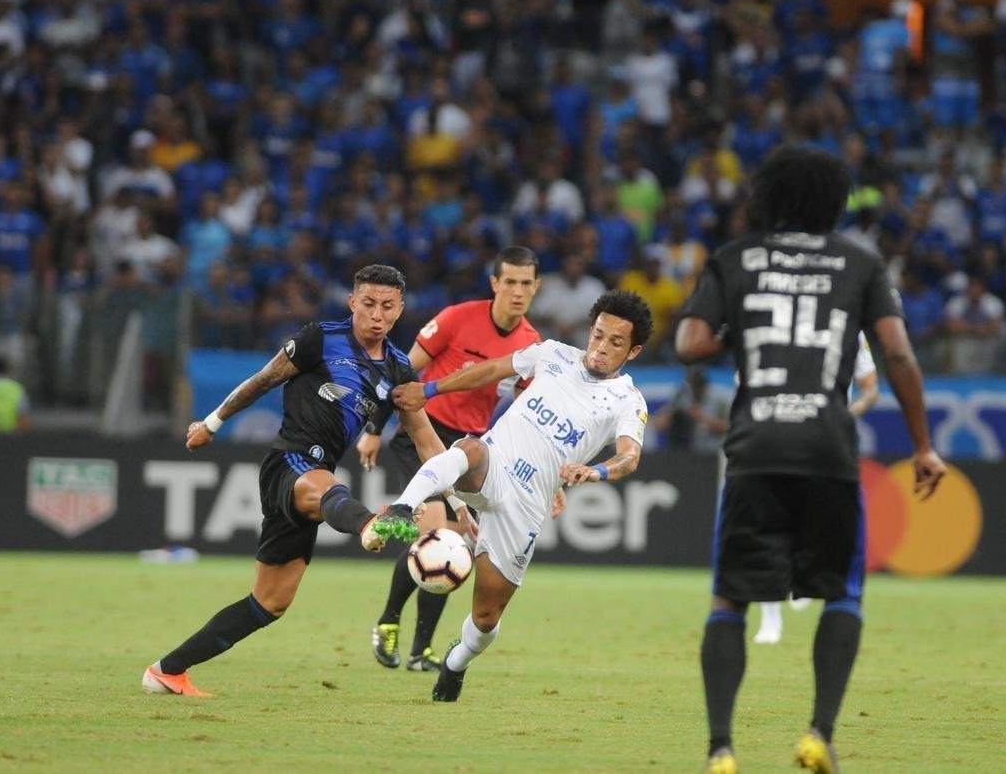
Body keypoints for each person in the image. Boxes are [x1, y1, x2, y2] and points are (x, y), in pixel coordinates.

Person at [675, 146, 947, 774]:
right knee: (842, 595)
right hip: (828, 449)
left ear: (765, 199)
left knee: (728, 602)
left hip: (754, 449)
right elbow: (899, 356)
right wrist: (923, 446)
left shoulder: (735, 259)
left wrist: (740, 326)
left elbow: (691, 345)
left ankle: (721, 748)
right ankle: (819, 734)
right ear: (833, 202)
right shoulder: (859, 262)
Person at [142, 264, 446, 697]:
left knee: (270, 603)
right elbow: (263, 380)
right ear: (352, 303)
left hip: (319, 484)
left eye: (387, 307)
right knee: (326, 485)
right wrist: (212, 422)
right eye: (368, 304)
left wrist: (458, 501)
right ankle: (367, 524)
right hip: (289, 463)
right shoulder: (319, 338)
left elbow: (427, 444)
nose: (376, 315)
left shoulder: (399, 370)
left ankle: (167, 671)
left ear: (400, 311)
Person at [387, 290, 653, 703]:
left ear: (632, 351)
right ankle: (403, 508)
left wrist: (596, 471)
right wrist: (431, 389)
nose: (601, 347)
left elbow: (629, 457)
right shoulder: (553, 354)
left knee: (486, 617)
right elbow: (491, 370)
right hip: (493, 464)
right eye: (598, 334)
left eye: (615, 342)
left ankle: (457, 663)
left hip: (525, 506)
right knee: (468, 449)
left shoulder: (627, 401)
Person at [358, 246, 543, 673]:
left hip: (466, 450)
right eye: (509, 282)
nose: (517, 291)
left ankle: (421, 651)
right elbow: (402, 372)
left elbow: (524, 412)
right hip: (421, 433)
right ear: (495, 283)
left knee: (456, 546)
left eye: (525, 284)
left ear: (536, 288)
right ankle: (388, 620)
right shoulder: (459, 318)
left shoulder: (530, 346)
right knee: (435, 529)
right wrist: (374, 430)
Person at [752, 331, 880, 646]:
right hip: (776, 438)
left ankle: (804, 576)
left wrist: (849, 413)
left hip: (828, 443)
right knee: (768, 527)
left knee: (822, 524)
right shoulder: (773, 319)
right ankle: (770, 618)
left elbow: (870, 386)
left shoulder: (850, 325)